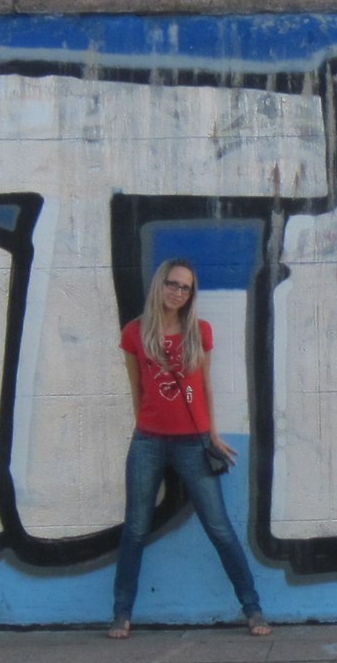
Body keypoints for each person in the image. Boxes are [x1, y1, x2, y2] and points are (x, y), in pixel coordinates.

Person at [111, 259, 271, 639]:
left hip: (193, 443)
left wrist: (211, 434)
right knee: (135, 530)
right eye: (173, 284)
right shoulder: (134, 333)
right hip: (148, 442)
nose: (178, 292)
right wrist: (145, 427)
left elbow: (205, 386)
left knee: (219, 529)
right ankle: (121, 614)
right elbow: (137, 390)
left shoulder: (199, 331)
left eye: (186, 288)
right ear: (160, 284)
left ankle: (253, 609)